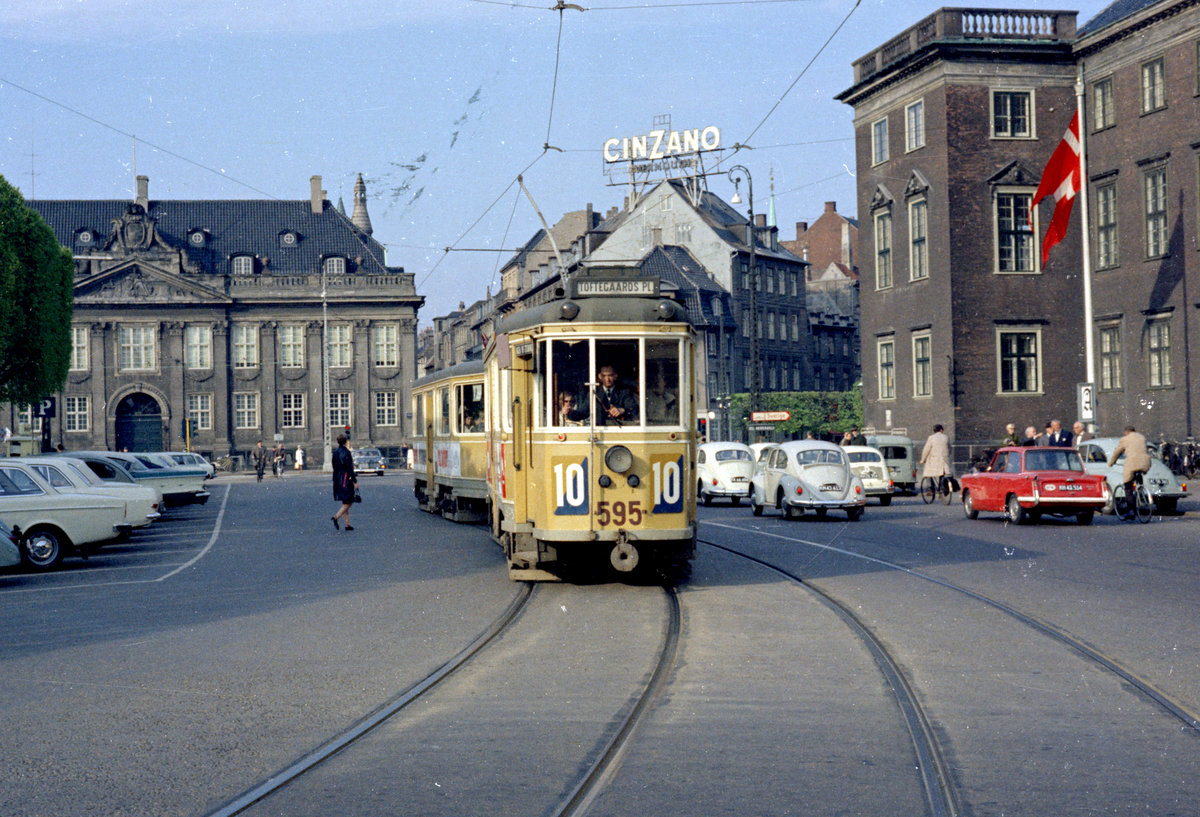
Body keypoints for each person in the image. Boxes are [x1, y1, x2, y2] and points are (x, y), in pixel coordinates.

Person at [572, 365, 637, 425]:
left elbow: (633, 407)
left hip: (619, 430)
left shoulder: (624, 392)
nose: (607, 379)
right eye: (604, 376)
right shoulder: (594, 393)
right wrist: (569, 412)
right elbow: (582, 413)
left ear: (615, 376)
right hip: (600, 430)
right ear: (599, 376)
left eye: (610, 375)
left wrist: (622, 410)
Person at [1108, 425, 1151, 503]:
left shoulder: (1125, 439)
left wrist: (1112, 462)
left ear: (1126, 432)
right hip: (1145, 462)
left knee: (1128, 485)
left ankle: (1131, 508)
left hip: (1132, 463)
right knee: (1138, 474)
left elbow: (1117, 452)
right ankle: (1141, 491)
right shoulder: (1142, 437)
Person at [331, 433, 357, 531]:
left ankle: (347, 524)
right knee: (349, 501)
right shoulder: (347, 452)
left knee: (345, 501)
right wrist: (354, 481)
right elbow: (349, 468)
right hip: (345, 478)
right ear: (345, 441)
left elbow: (334, 465)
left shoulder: (335, 452)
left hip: (337, 478)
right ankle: (336, 517)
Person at [919, 423, 954, 489]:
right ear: (941, 430)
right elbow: (949, 448)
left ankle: (930, 488)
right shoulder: (946, 437)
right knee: (943, 473)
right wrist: (947, 455)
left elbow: (926, 449)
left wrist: (923, 459)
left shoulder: (931, 438)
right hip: (945, 460)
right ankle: (942, 487)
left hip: (934, 461)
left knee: (928, 472)